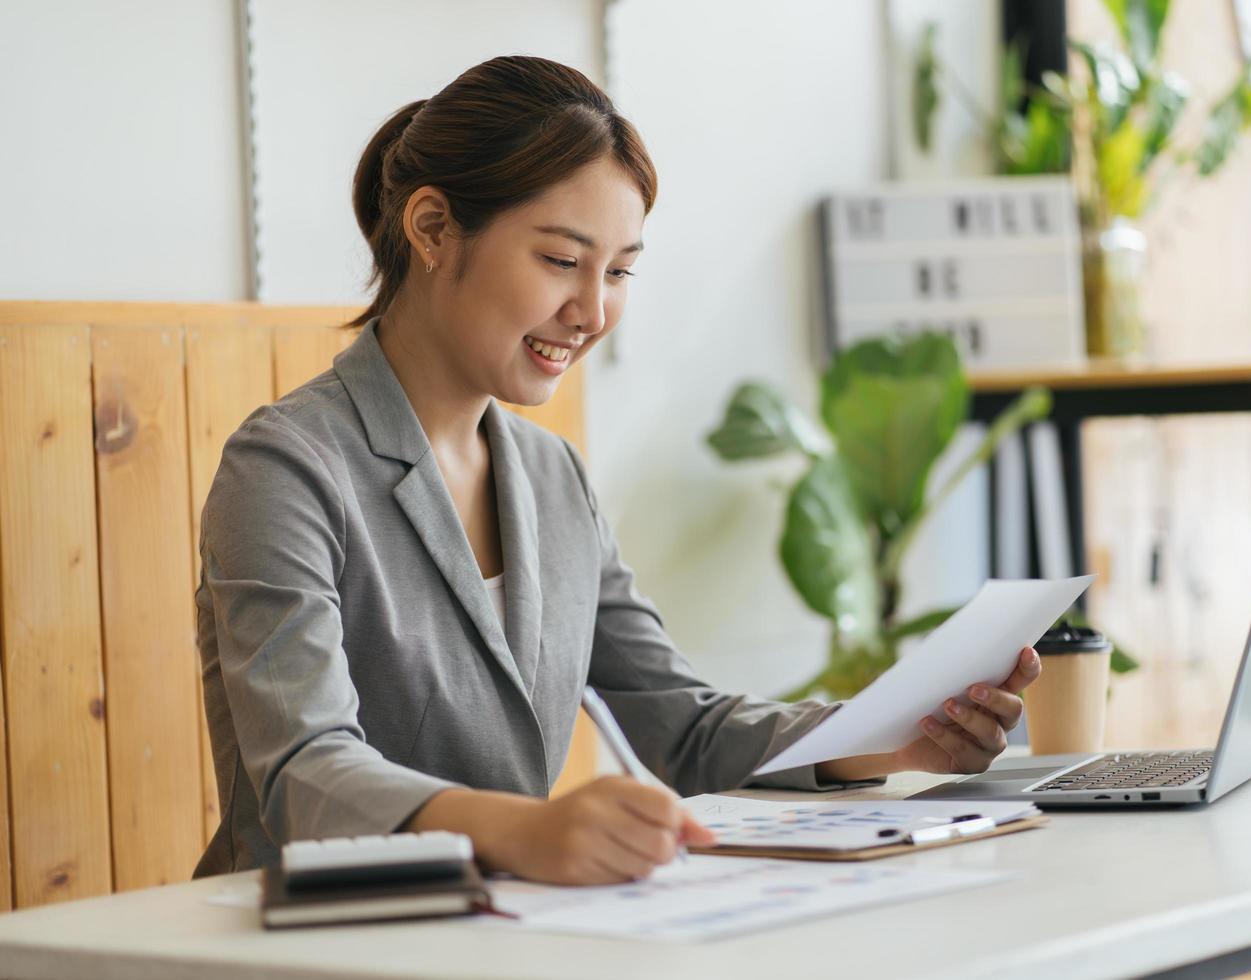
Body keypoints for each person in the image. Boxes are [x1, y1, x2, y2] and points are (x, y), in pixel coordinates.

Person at [193, 55, 1040, 886]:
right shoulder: (287, 466)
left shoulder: (550, 474)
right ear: (432, 230)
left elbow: (682, 727)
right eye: (561, 261)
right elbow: (305, 773)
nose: (593, 312)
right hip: (303, 936)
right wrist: (526, 830)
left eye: (621, 270)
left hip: (496, 933)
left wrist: (893, 737)